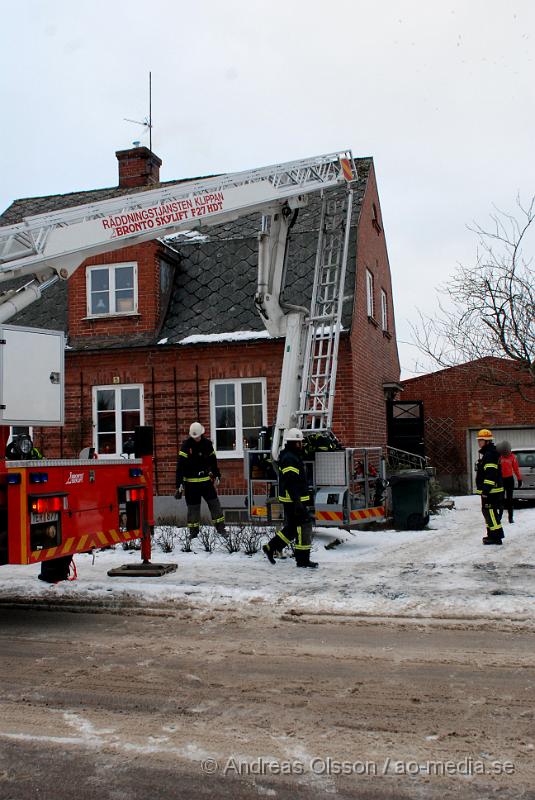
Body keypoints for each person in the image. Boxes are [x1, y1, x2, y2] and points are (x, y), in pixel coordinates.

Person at [262, 428, 318, 569]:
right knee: (304, 526)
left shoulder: (292, 455)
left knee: (292, 528)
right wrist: (298, 502)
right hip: (293, 501)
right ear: (293, 443)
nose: (301, 445)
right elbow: (291, 482)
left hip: (294, 500)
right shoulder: (289, 458)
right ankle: (302, 560)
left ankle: (271, 547)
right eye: (299, 442)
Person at [175, 422, 227, 539]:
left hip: (206, 482)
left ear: (202, 434)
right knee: (193, 509)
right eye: (194, 437)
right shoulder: (186, 446)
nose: (196, 439)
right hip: (191, 484)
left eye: (198, 436)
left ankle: (221, 529)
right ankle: (193, 533)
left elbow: (213, 462)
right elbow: (180, 466)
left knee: (215, 505)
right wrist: (179, 484)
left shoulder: (207, 444)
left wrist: (217, 475)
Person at [475, 428, 505, 545]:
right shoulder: (489, 453)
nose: (479, 442)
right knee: (487, 512)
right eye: (479, 440)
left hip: (492, 491)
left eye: (481, 440)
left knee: (490, 513)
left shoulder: (490, 454)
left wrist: (486, 490)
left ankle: (496, 537)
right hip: (490, 490)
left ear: (487, 441)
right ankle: (491, 535)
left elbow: (491, 474)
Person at [497, 441, 522, 524]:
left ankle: (510, 518)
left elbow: (516, 469)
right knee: (500, 499)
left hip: (509, 480)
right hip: (501, 480)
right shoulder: (499, 457)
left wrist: (519, 479)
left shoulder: (512, 457)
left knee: (509, 500)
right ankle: (499, 517)